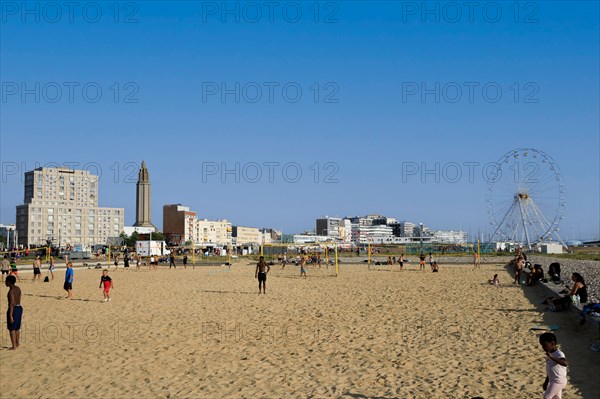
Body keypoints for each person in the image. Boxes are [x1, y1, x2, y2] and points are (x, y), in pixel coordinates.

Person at [539, 333, 568, 399]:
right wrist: (546, 382)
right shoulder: (550, 354)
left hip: (558, 381)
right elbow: (550, 369)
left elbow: (565, 363)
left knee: (547, 396)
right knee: (556, 397)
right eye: (542, 345)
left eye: (545, 345)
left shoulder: (558, 353)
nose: (543, 347)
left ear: (552, 343)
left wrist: (552, 357)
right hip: (553, 380)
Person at [5, 275, 22, 350]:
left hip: (14, 309)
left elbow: (11, 303)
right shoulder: (18, 288)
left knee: (12, 328)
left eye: (6, 281)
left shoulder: (11, 291)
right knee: (17, 328)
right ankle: (17, 343)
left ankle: (14, 346)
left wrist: (10, 315)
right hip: (19, 307)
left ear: (9, 282)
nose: (5, 282)